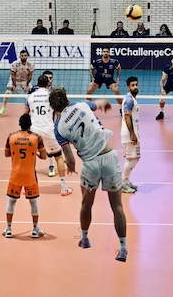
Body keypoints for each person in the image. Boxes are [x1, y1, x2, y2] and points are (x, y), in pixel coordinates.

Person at [49, 87, 129, 262]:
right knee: (117, 206)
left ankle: (85, 238)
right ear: (67, 99)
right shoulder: (82, 105)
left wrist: (70, 167)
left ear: (53, 108)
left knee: (86, 203)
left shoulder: (58, 128)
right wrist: (104, 103)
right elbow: (98, 103)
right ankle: (123, 248)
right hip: (109, 157)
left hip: (90, 165)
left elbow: (70, 159)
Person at [3, 113, 48, 239]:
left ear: (19, 124)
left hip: (15, 175)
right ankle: (35, 230)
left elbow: (7, 154)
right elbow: (44, 156)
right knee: (33, 202)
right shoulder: (37, 138)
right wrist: (34, 153)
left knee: (11, 201)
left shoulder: (11, 137)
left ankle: (9, 230)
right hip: (30, 176)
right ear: (30, 124)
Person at [25, 73, 72, 195]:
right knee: (58, 157)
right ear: (48, 84)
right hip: (50, 131)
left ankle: (28, 188)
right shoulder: (52, 96)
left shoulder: (30, 96)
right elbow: (60, 113)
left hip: (34, 132)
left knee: (30, 160)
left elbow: (25, 115)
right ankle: (64, 187)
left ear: (37, 84)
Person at [0, 49, 34, 116]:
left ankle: (32, 109)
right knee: (8, 92)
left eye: (25, 55)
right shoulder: (15, 64)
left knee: (32, 93)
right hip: (14, 79)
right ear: (20, 56)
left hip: (24, 80)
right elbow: (12, 75)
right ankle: (3, 108)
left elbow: (30, 75)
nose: (24, 57)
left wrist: (26, 85)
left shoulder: (30, 64)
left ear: (27, 56)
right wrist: (15, 86)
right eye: (22, 56)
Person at [86, 47, 123, 111]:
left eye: (107, 52)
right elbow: (91, 68)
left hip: (109, 79)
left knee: (116, 90)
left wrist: (118, 78)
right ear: (102, 53)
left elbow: (119, 68)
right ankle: (88, 107)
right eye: (104, 52)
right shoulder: (97, 61)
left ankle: (121, 108)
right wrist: (92, 77)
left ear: (109, 53)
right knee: (89, 89)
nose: (105, 53)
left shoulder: (114, 62)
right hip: (98, 79)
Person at [120, 76, 140, 194]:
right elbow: (127, 117)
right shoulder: (129, 100)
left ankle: (126, 181)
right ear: (128, 87)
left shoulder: (132, 99)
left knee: (132, 158)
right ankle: (123, 183)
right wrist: (132, 133)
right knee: (134, 159)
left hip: (132, 132)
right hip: (129, 133)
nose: (135, 87)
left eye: (136, 84)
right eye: (132, 85)